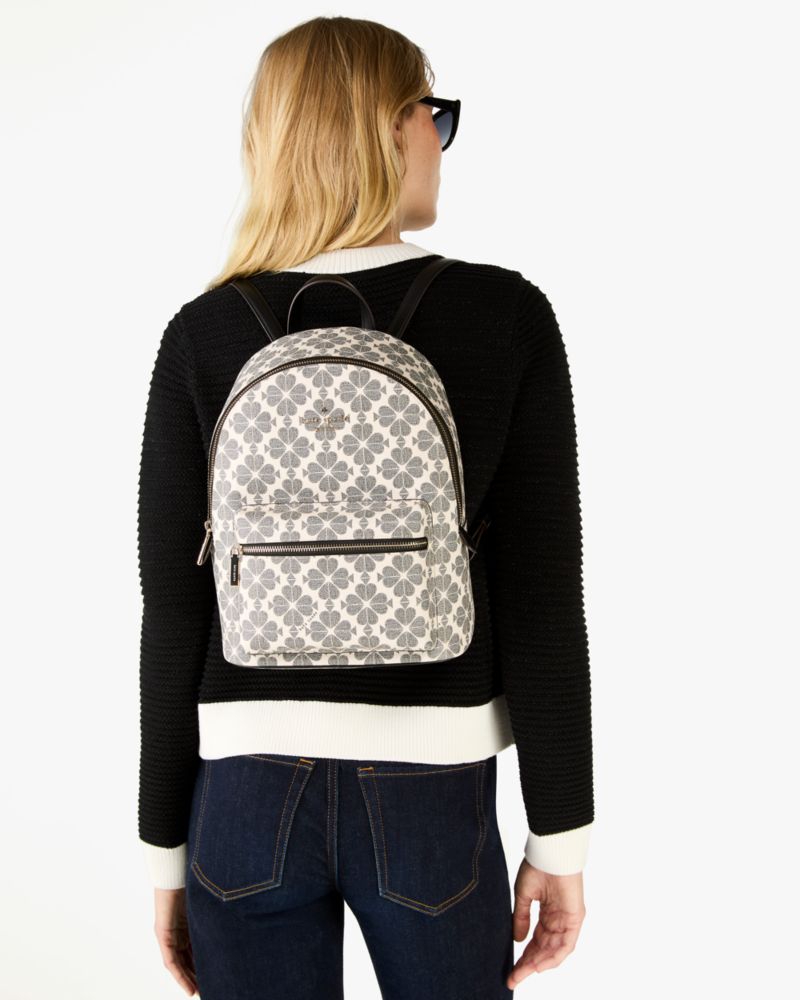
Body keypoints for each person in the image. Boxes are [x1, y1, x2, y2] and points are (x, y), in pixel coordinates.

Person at [137, 15, 594, 999]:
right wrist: (559, 838)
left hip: (241, 794)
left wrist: (165, 854)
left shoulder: (204, 332)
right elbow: (543, 597)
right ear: (392, 127)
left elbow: (173, 612)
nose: (441, 140)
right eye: (436, 115)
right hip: (433, 794)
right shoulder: (504, 313)